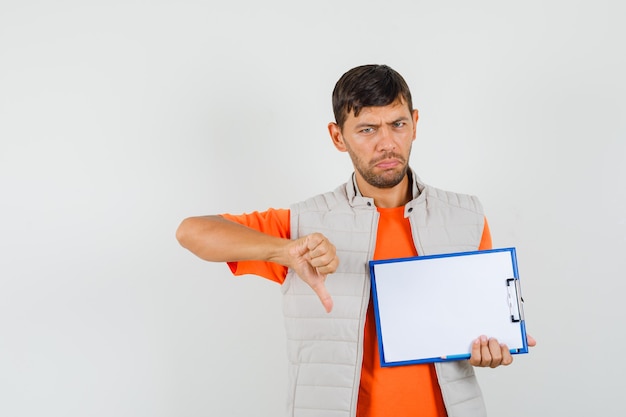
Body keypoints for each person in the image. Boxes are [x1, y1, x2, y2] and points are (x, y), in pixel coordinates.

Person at [176, 64, 536, 417]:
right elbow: (191, 231)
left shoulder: (465, 217)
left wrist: (492, 345)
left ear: (415, 124)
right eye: (367, 129)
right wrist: (284, 251)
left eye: (398, 124)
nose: (387, 143)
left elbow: (480, 325)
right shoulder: (303, 224)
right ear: (338, 137)